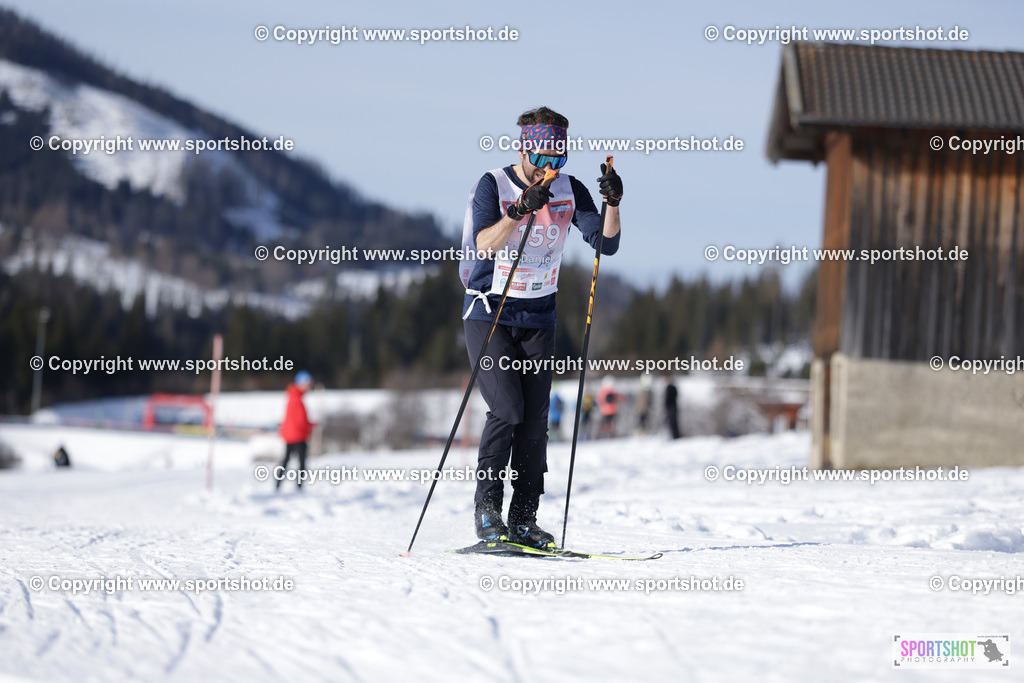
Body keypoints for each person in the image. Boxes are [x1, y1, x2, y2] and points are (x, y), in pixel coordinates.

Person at [458, 106, 623, 547]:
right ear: (522, 148)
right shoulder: (492, 183)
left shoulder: (572, 190)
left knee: (534, 423)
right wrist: (518, 210)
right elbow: (484, 243)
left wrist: (612, 203)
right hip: (489, 312)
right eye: (542, 158)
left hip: (538, 317)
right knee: (507, 410)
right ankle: (487, 512)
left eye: (558, 158)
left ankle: (524, 519)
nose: (549, 168)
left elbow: (605, 243)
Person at [277, 370, 315, 491]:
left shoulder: (292, 396)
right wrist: (311, 425)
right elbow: (300, 420)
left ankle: (278, 484)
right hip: (298, 435)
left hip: (290, 435)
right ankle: (299, 487)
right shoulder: (297, 399)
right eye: (308, 384)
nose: (309, 387)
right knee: (301, 463)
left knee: (286, 461)